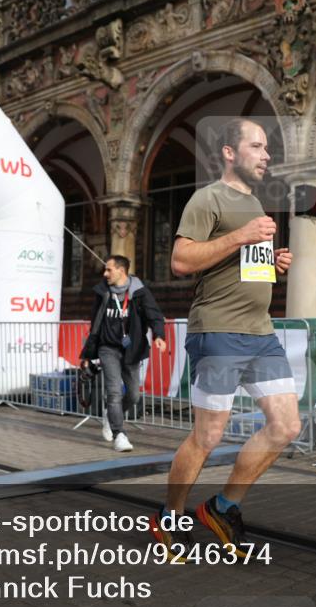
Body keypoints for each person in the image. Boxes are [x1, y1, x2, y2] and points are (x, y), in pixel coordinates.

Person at [151, 118, 296, 559]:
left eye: (267, 148)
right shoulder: (207, 198)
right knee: (208, 437)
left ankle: (222, 506)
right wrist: (242, 236)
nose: (266, 155)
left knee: (286, 426)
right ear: (230, 153)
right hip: (218, 332)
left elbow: (244, 266)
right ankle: (170, 516)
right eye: (257, 146)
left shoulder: (256, 205)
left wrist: (272, 265)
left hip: (261, 332)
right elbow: (180, 260)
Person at [80, 255, 167, 453]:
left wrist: (158, 336)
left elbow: (154, 314)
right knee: (114, 392)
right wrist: (87, 353)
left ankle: (110, 415)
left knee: (134, 395)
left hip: (132, 349)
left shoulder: (139, 292)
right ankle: (119, 434)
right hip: (107, 348)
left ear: (121, 270)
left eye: (109, 269)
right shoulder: (102, 292)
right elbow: (95, 324)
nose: (105, 273)